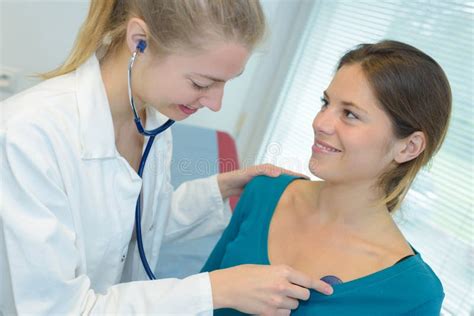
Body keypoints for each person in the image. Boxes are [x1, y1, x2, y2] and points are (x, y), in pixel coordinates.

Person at [0, 1, 334, 314]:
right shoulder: (27, 137)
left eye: (225, 84)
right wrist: (215, 290)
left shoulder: (154, 120)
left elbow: (131, 228)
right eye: (201, 82)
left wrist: (221, 188)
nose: (215, 103)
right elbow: (57, 308)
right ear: (139, 41)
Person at [202, 40, 451, 315]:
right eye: (326, 103)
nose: (319, 123)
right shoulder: (263, 193)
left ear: (408, 147)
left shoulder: (414, 293)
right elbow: (198, 301)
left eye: (350, 114)